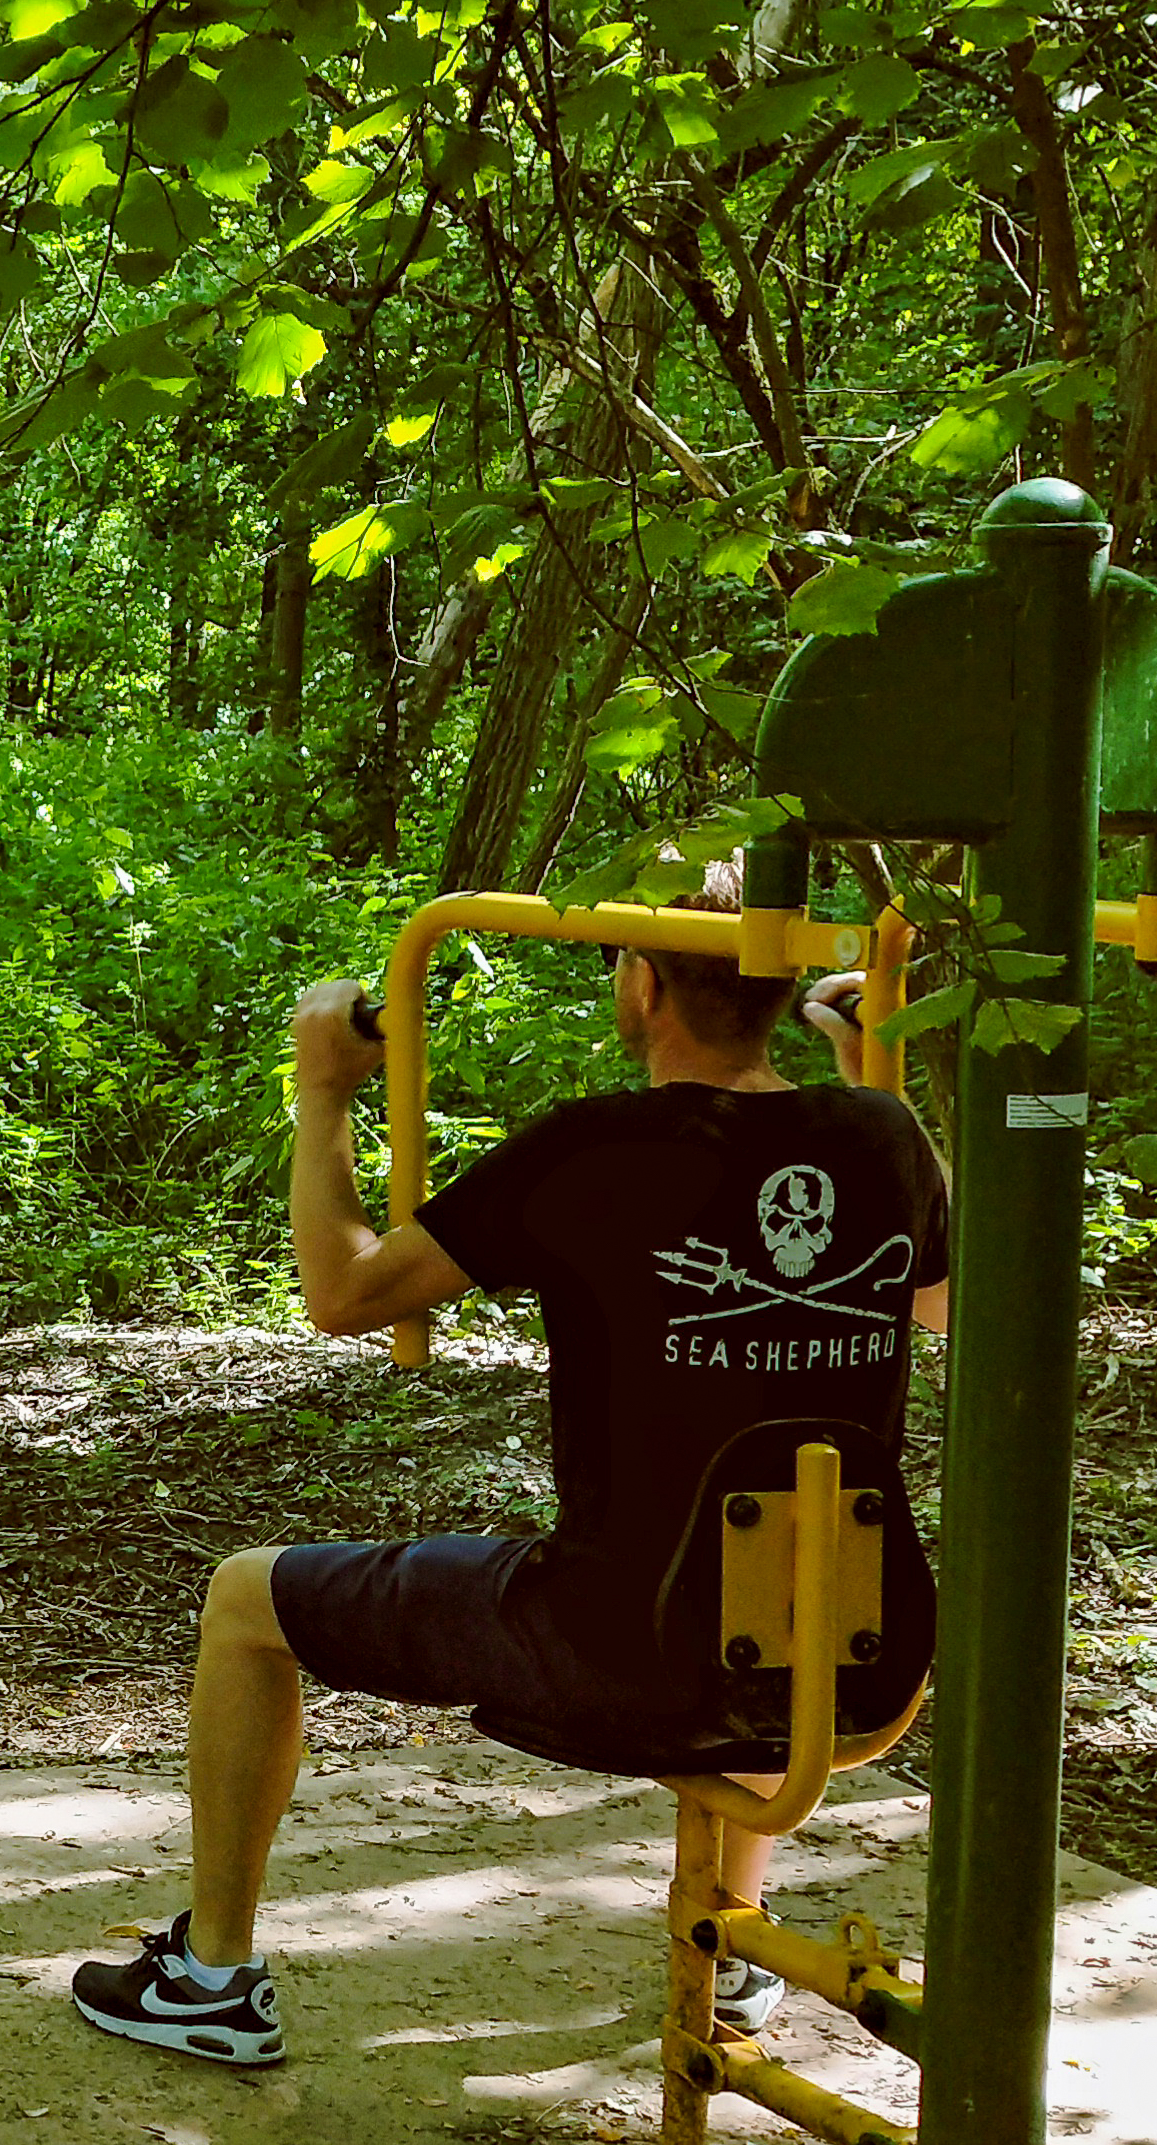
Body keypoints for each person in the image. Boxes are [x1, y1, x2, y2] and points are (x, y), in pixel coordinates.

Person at [71, 886, 949, 2072]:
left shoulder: (596, 1149)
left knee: (244, 1602)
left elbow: (345, 1295)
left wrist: (325, 1088)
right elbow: (941, 1302)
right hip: (866, 1663)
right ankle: (729, 1949)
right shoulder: (883, 1139)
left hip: (615, 1650)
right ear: (788, 991)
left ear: (642, 983)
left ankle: (210, 1977)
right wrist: (869, 1072)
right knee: (772, 1572)